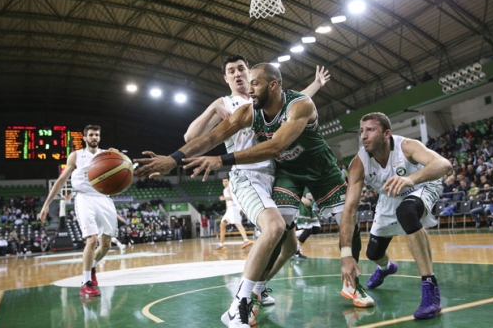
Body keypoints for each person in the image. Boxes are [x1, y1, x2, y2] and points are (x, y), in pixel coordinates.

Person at [134, 63, 368, 327]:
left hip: (318, 169)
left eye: (253, 82)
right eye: (243, 79)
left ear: (273, 85)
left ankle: (350, 284)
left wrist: (220, 160)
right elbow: (211, 137)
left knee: (304, 241)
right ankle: (247, 297)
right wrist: (174, 159)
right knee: (276, 228)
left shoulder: (299, 105)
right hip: (283, 174)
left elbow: (276, 145)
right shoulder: (246, 111)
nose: (248, 87)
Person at [339, 112, 451, 320]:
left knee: (407, 212)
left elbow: (444, 165)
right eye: (361, 131)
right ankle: (385, 267)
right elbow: (349, 210)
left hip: (421, 184)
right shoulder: (359, 163)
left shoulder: (406, 146)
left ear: (386, 133)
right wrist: (346, 253)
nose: (363, 136)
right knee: (373, 253)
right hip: (389, 194)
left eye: (370, 130)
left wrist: (410, 179)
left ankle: (430, 289)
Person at [39, 125, 120, 298]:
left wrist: (119, 156)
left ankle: (91, 267)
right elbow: (61, 180)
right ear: (84, 138)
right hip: (84, 197)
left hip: (103, 198)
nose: (94, 137)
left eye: (97, 135)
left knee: (106, 245)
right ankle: (85, 283)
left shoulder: (107, 154)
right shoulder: (76, 155)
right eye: (91, 135)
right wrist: (46, 204)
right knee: (91, 239)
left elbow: (123, 169)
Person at [215, 178, 253, 251]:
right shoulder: (224, 190)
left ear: (229, 181)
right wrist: (226, 211)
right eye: (223, 181)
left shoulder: (230, 188)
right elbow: (227, 202)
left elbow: (234, 198)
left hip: (234, 208)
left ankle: (246, 240)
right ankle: (221, 244)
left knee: (237, 224)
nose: (224, 182)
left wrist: (223, 199)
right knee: (222, 225)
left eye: (226, 181)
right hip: (229, 210)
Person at [293, 189, 321, 259]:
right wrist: (301, 198)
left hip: (310, 208)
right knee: (308, 230)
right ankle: (296, 251)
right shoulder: (301, 179)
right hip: (303, 207)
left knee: (316, 229)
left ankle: (291, 234)